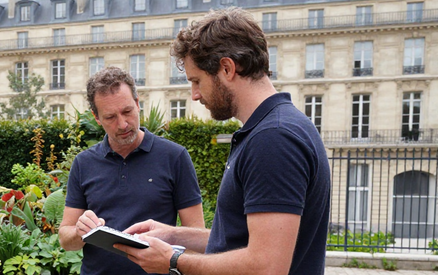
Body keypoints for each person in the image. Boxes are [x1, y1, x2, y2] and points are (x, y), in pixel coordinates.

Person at [114, 7, 331, 275]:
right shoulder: (275, 128)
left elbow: (268, 266)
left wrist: (173, 261)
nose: (194, 95)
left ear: (227, 68)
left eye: (197, 81)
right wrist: (174, 236)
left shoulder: (273, 139)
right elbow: (239, 242)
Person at [59, 66, 205, 275]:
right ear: (97, 117)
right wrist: (80, 232)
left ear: (137, 104)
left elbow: (196, 237)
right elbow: (66, 239)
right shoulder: (84, 163)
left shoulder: (174, 157)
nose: (123, 123)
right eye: (110, 117)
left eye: (127, 111)